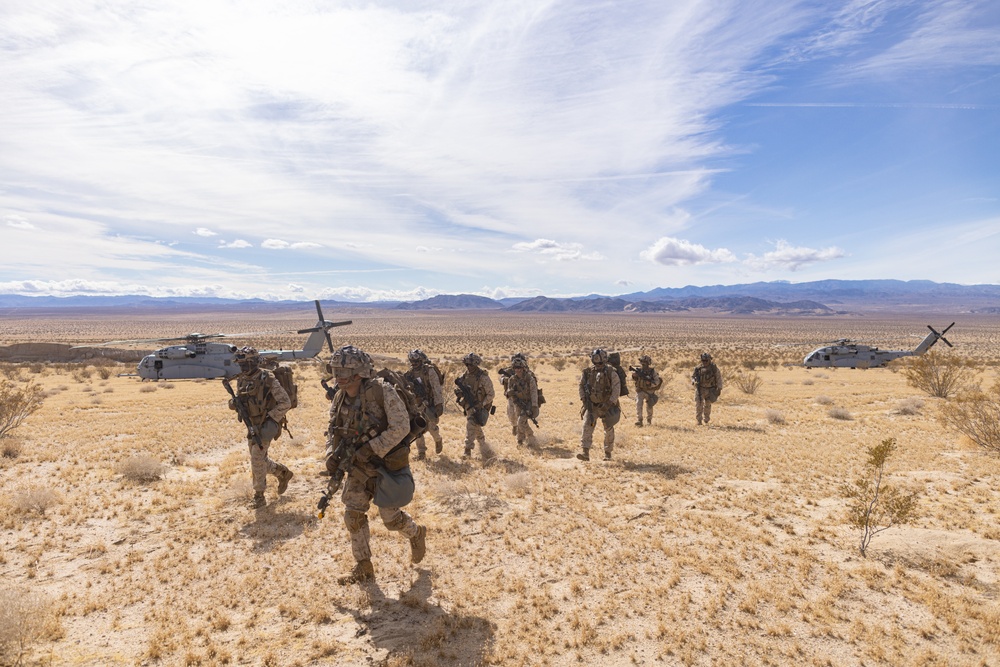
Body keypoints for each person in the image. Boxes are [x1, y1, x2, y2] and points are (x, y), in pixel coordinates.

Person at [324, 345, 427, 584]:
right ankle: (363, 566)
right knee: (353, 514)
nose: (338, 374)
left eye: (344, 369)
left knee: (390, 519)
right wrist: (331, 454)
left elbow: (400, 427)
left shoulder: (383, 391)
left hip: (386, 463)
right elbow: (332, 429)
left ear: (359, 372)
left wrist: (371, 448)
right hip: (359, 466)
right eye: (336, 369)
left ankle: (416, 533)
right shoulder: (339, 397)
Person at [226, 346, 293, 509]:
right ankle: (282, 472)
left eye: (246, 363)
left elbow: (285, 402)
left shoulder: (267, 377)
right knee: (260, 460)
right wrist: (234, 404)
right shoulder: (242, 379)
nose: (243, 367)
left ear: (254, 362)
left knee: (256, 457)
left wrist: (270, 418)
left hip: (267, 425)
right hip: (251, 425)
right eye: (241, 364)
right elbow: (239, 400)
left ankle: (259, 496)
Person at [578, 348, 620, 461]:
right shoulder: (588, 372)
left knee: (608, 429)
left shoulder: (611, 372)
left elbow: (616, 389)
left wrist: (610, 403)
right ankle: (585, 452)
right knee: (587, 426)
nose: (596, 361)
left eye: (598, 358)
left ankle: (608, 453)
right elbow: (581, 386)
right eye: (594, 358)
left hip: (607, 406)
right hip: (592, 406)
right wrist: (584, 400)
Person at [404, 349, 444, 460]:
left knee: (431, 427)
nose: (413, 363)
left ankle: (438, 439)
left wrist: (439, 404)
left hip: (429, 404)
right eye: (412, 361)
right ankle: (421, 453)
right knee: (417, 429)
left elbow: (437, 388)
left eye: (416, 361)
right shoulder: (409, 374)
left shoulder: (429, 371)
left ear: (421, 360)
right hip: (416, 405)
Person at [454, 352, 495, 459]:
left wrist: (482, 403)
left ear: (476, 364)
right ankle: (484, 446)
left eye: (470, 365)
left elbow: (491, 394)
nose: (468, 367)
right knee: (475, 426)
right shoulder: (465, 375)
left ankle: (467, 450)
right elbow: (460, 386)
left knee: (471, 424)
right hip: (469, 406)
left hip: (480, 407)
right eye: (466, 364)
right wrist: (459, 392)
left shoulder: (483, 377)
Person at [504, 355, 539, 448]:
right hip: (517, 403)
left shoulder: (529, 378)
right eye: (516, 368)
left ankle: (520, 441)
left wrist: (534, 406)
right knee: (523, 422)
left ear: (523, 368)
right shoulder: (512, 379)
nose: (518, 370)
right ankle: (531, 437)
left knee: (520, 421)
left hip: (528, 403)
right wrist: (510, 393)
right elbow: (508, 390)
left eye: (519, 368)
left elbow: (534, 392)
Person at [497, 353, 526, 437]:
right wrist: (507, 379)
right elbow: (501, 379)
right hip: (511, 396)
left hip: (523, 396)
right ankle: (514, 426)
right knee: (511, 414)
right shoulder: (508, 370)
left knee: (521, 415)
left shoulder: (526, 371)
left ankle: (522, 434)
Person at [692, 352, 723, 425]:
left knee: (708, 405)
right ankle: (699, 420)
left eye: (706, 360)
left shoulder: (713, 368)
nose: (705, 362)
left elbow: (719, 378)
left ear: (709, 360)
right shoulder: (698, 368)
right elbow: (693, 377)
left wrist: (719, 388)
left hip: (710, 389)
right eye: (703, 361)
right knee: (699, 405)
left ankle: (706, 419)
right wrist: (694, 381)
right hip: (700, 388)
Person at [632, 355, 663, 427]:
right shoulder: (639, 370)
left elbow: (657, 381)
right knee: (638, 405)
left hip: (649, 391)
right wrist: (634, 376)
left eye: (645, 363)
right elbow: (635, 380)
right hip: (640, 390)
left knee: (649, 406)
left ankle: (649, 420)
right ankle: (639, 420)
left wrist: (650, 384)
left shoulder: (652, 372)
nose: (643, 364)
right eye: (642, 362)